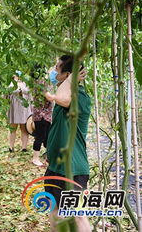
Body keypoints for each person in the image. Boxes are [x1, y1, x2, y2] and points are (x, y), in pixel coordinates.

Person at [44, 55, 91, 232]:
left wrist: (72, 79)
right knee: (55, 212)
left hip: (72, 170)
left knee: (75, 217)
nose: (53, 72)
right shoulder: (67, 93)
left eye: (57, 69)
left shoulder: (79, 96)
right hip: (56, 167)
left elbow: (61, 98)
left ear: (69, 75)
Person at [30, 65, 53, 166]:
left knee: (47, 137)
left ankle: (48, 158)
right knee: (40, 137)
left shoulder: (36, 82)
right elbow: (48, 97)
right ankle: (35, 159)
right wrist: (57, 97)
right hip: (42, 115)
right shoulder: (41, 83)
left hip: (43, 114)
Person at [8, 71, 32, 152]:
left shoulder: (26, 83)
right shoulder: (11, 83)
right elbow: (7, 94)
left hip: (24, 108)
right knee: (12, 127)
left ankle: (24, 147)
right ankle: (11, 147)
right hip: (14, 107)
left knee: (24, 128)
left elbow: (30, 95)